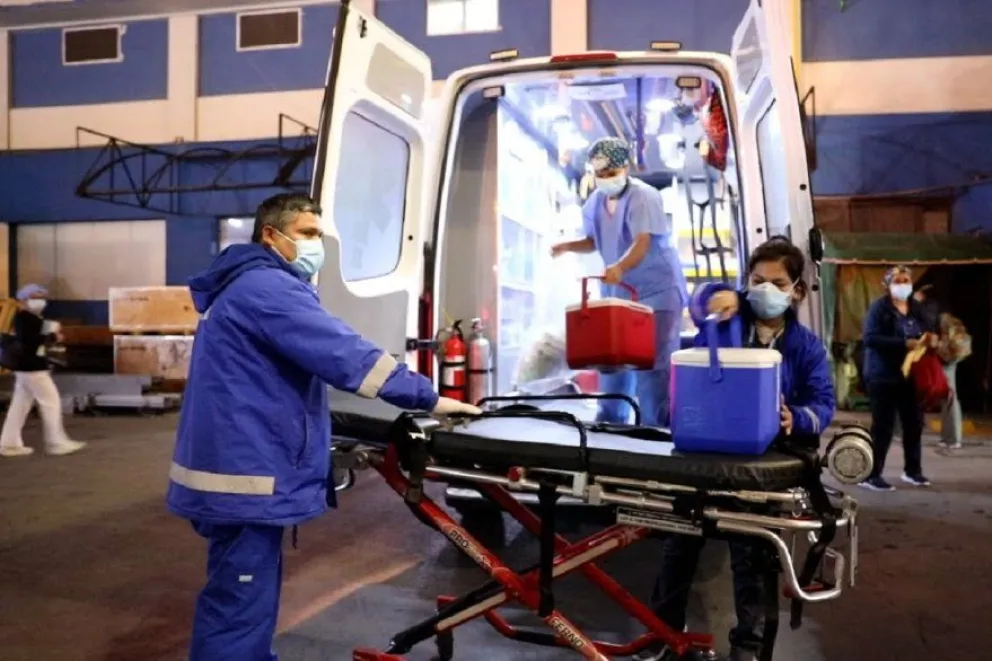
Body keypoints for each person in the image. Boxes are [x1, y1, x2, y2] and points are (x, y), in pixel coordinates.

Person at [166, 193, 481, 661]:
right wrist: (429, 397)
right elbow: (343, 352)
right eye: (308, 234)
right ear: (271, 235)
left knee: (242, 593)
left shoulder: (243, 284)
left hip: (233, 465)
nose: (317, 245)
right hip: (245, 473)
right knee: (239, 599)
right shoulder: (268, 289)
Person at [637, 237, 834, 661]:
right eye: (757, 281)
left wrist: (796, 419)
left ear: (797, 290)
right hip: (704, 455)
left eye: (777, 283)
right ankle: (661, 638)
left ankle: (748, 648)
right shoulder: (726, 321)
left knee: (754, 556)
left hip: (761, 465)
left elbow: (823, 404)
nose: (765, 290)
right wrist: (718, 295)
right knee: (679, 545)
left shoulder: (807, 348)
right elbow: (701, 302)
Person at [551, 137, 688, 427]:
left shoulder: (644, 196)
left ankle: (654, 429)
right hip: (620, 296)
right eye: (599, 174)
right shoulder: (595, 202)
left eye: (610, 173)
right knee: (612, 360)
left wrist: (620, 267)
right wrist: (566, 246)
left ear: (625, 167)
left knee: (653, 364)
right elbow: (593, 240)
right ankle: (611, 423)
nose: (605, 179)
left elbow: (642, 241)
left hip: (657, 291)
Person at [860, 265, 936, 491]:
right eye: (898, 281)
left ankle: (913, 471)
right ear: (887, 285)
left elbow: (928, 328)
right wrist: (903, 344)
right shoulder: (879, 309)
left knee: (914, 424)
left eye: (906, 281)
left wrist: (930, 339)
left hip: (911, 375)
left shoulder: (916, 307)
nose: (903, 285)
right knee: (883, 426)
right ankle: (871, 474)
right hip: (883, 375)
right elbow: (870, 338)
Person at [0, 284, 86, 458]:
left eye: (41, 297)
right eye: (35, 297)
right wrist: (53, 336)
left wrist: (52, 331)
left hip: (26, 368)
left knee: (20, 406)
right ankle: (56, 442)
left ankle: (9, 444)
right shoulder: (24, 318)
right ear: (23, 300)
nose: (39, 301)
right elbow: (31, 340)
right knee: (51, 402)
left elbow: (38, 335)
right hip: (33, 368)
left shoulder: (31, 318)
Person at [915, 286, 971, 450]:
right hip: (946, 354)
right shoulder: (936, 305)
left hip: (946, 355)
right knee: (946, 396)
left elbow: (928, 323)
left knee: (949, 396)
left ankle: (953, 438)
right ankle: (948, 437)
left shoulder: (931, 305)